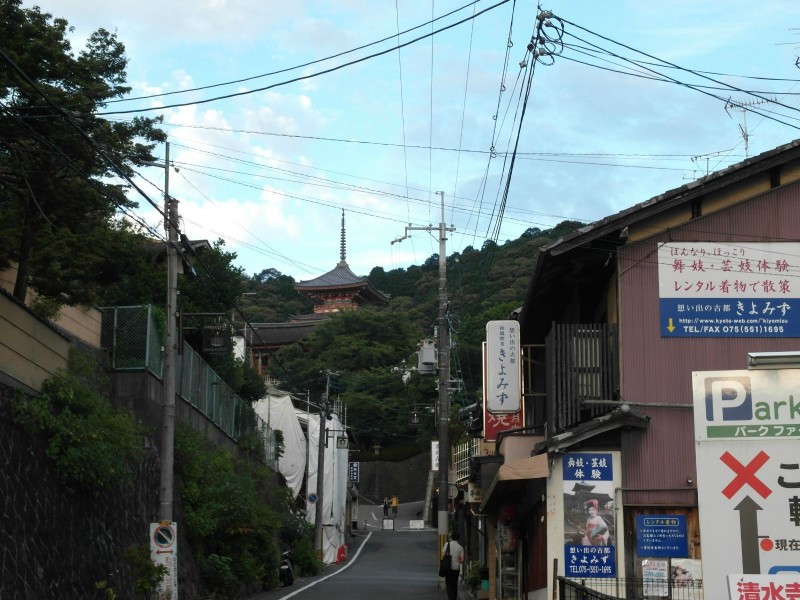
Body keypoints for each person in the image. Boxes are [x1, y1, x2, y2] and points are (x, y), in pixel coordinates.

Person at [441, 530, 465, 600]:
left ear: (451, 537)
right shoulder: (460, 547)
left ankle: (451, 598)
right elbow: (462, 560)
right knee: (454, 585)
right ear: (458, 538)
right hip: (456, 569)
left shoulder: (447, 544)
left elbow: (443, 554)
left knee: (449, 586)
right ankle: (454, 598)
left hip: (448, 568)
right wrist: (457, 560)